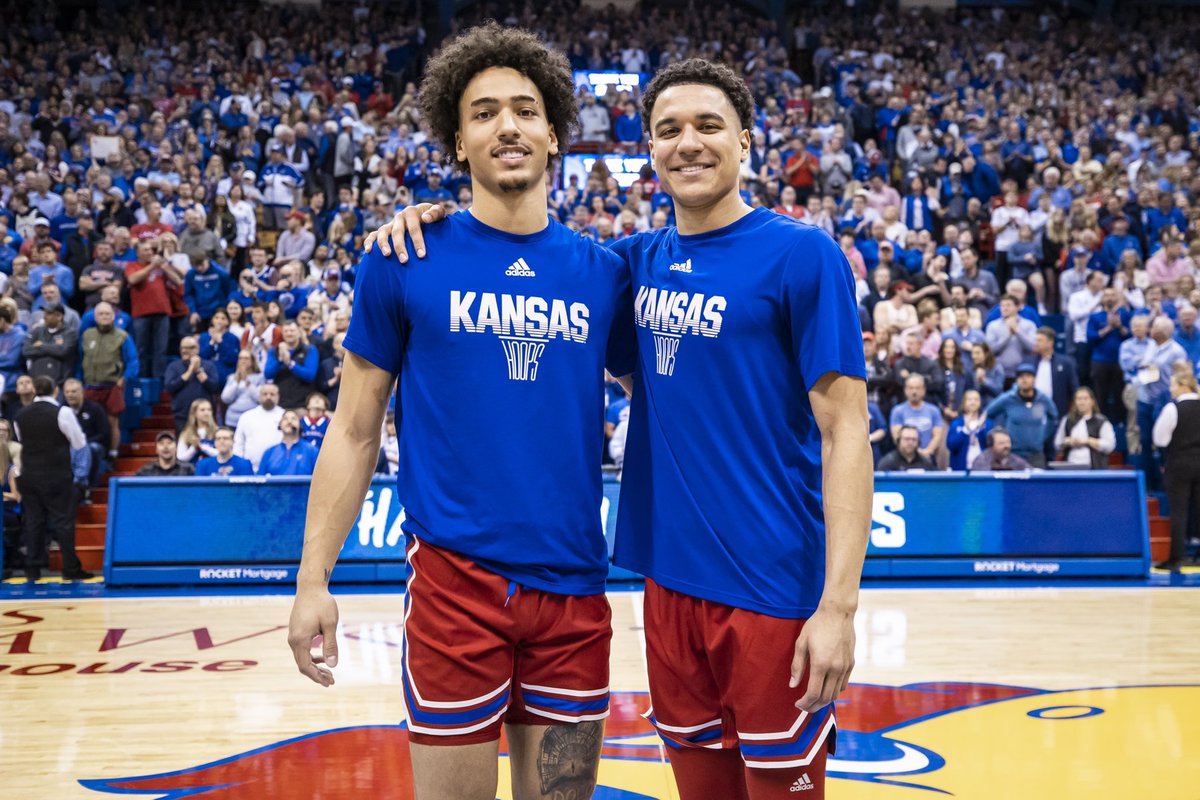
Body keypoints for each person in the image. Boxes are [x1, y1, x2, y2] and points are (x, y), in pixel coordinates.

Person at [368, 56, 871, 799]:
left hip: (772, 587)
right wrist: (429, 217)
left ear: (746, 142)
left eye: (708, 126)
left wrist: (839, 606)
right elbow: (528, 257)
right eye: (668, 130)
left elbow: (848, 434)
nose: (687, 143)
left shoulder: (803, 255)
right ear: (648, 150)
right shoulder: (626, 267)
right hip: (667, 586)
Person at [289, 26, 639, 800]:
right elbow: (352, 430)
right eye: (484, 113)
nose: (506, 126)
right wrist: (313, 578)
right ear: (457, 138)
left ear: (554, 134)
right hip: (454, 588)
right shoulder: (403, 255)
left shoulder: (606, 274)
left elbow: (672, 393)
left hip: (575, 592)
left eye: (525, 110)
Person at [12, 375, 92, 581]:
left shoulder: (20, 414)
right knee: (64, 522)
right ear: (55, 390)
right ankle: (70, 568)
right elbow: (79, 443)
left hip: (29, 475)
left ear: (35, 391)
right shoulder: (62, 412)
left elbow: (22, 440)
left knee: (33, 522)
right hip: (56, 475)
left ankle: (32, 569)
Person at [1122, 316, 1189, 491]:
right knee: (1144, 440)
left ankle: (1163, 483)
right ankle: (1146, 484)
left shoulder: (1177, 351)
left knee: (1163, 442)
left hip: (1165, 401)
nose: (1151, 329)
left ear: (1164, 331)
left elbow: (1181, 377)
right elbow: (1144, 366)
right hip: (1145, 398)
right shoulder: (1151, 346)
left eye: (1155, 326)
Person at [1151, 369, 1200, 571]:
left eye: (1173, 385)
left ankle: (1176, 558)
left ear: (1183, 386)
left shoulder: (1173, 409)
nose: (1170, 389)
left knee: (1178, 511)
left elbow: (1159, 439)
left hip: (1179, 462)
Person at [80, 301, 138, 461]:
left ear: (113, 316)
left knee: (113, 421)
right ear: (95, 316)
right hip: (90, 385)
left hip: (112, 385)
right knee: (89, 420)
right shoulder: (87, 335)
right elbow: (80, 359)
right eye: (101, 314)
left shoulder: (123, 336)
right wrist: (80, 381)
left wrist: (124, 379)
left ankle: (112, 454)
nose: (104, 317)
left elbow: (133, 361)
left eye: (108, 314)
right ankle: (90, 453)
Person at [984, 363, 1058, 467]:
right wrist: (999, 433)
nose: (1024, 380)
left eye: (1028, 376)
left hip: (1036, 455)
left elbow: (1054, 418)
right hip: (1012, 454)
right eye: (1021, 377)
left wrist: (1042, 436)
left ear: (1034, 379)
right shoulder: (1008, 398)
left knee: (1037, 482)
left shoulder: (1042, 399)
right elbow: (987, 413)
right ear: (1017, 381)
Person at [163, 336, 220, 431]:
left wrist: (198, 371)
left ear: (197, 349)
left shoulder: (208, 366)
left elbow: (214, 387)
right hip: (182, 414)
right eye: (182, 348)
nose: (184, 351)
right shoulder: (173, 366)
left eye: (188, 348)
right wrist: (189, 371)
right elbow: (169, 387)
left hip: (204, 414)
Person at [62, 379, 110, 489]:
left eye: (74, 391)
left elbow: (104, 434)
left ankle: (87, 485)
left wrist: (83, 444)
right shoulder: (61, 410)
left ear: (82, 392)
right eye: (67, 392)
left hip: (93, 444)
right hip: (69, 446)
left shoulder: (94, 408)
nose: (70, 395)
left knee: (89, 449)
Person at [1054, 387, 1115, 469]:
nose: (1082, 402)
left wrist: (1088, 441)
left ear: (1092, 402)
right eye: (1079, 399)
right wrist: (1067, 441)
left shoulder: (1101, 421)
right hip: (1071, 467)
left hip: (1094, 468)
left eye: (1085, 399)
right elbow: (1057, 443)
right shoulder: (1067, 420)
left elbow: (1110, 446)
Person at [264, 320, 319, 409]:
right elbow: (268, 374)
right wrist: (280, 360)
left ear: (298, 332)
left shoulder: (309, 349)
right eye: (286, 331)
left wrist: (290, 364)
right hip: (279, 403)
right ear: (282, 333)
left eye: (292, 331)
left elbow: (310, 375)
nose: (289, 334)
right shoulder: (274, 350)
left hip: (302, 404)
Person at [889, 374, 945, 461]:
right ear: (905, 390)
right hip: (905, 459)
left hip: (928, 458)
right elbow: (897, 437)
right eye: (911, 388)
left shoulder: (934, 410)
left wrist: (927, 452)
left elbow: (937, 436)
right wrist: (915, 453)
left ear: (923, 390)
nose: (914, 391)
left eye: (917, 388)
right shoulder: (897, 411)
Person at [22, 302, 77, 385]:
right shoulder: (37, 331)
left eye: (49, 314)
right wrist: (53, 348)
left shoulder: (69, 333)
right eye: (44, 313)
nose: (45, 316)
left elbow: (63, 351)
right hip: (37, 381)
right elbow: (26, 351)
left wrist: (42, 345)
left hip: (59, 383)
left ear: (59, 316)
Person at [985, 294, 1037, 381]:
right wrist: (1007, 336)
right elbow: (990, 350)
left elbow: (1033, 347)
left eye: (1008, 305)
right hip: (999, 373)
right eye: (1002, 306)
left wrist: (1018, 331)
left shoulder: (1029, 324)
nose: (1005, 308)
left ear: (1017, 307)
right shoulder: (992, 326)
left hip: (1023, 372)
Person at [1031, 326, 1079, 419]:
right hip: (1036, 408)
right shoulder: (1030, 362)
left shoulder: (1066, 363)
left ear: (1050, 343)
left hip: (1058, 410)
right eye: (1035, 340)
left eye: (1039, 340)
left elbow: (1074, 388)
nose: (1036, 343)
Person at [258, 409, 319, 475]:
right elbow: (260, 481)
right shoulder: (269, 452)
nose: (289, 421)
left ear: (300, 425)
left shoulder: (312, 451)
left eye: (293, 419)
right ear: (280, 425)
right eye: (285, 419)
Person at [946, 389, 993, 471]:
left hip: (982, 468)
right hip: (960, 469)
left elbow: (990, 445)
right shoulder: (956, 423)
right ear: (964, 403)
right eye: (970, 399)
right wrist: (965, 430)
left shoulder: (986, 423)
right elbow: (951, 445)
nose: (973, 402)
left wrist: (980, 428)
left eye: (976, 399)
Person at [177, 398, 218, 464]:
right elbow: (180, 457)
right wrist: (193, 448)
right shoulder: (186, 434)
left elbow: (222, 454)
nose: (206, 413)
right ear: (194, 413)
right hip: (192, 471)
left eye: (209, 409)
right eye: (202, 410)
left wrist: (202, 447)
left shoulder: (218, 432)